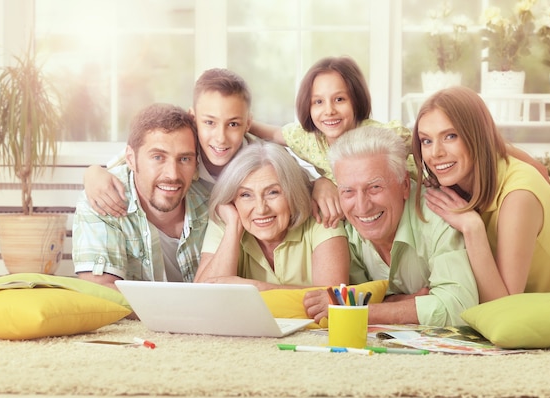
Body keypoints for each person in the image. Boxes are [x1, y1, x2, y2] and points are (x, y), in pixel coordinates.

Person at [413, 85, 550, 303]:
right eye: (426, 140)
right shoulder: (453, 182)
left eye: (451, 136)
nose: (435, 153)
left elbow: (503, 307)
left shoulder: (518, 196)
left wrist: (472, 227)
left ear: (477, 136)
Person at [303, 125, 479, 327]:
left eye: (375, 187)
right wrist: (401, 303)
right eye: (348, 191)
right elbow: (346, 293)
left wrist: (359, 311)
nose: (362, 206)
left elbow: (459, 308)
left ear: (404, 185)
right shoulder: (342, 225)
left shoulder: (440, 216)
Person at [250, 56, 411, 229]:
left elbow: (419, 143)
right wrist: (242, 122)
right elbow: (274, 134)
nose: (329, 111)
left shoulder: (376, 136)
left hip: (407, 201)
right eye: (318, 102)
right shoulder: (308, 138)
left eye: (339, 99)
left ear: (356, 101)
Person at [84, 68, 255, 217]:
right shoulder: (183, 146)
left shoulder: (259, 159)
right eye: (210, 122)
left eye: (233, 124)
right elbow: (132, 156)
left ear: (247, 123)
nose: (220, 138)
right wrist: (92, 173)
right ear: (193, 118)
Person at [72, 103, 209, 290]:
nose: (173, 174)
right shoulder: (102, 198)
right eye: (158, 157)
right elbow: (99, 290)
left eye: (184, 159)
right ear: (130, 158)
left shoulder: (210, 204)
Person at [194, 141, 350, 290]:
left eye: (273, 192)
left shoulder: (321, 216)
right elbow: (203, 300)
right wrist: (233, 228)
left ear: (293, 193)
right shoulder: (228, 220)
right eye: (246, 195)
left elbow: (332, 299)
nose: (261, 209)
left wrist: (256, 289)